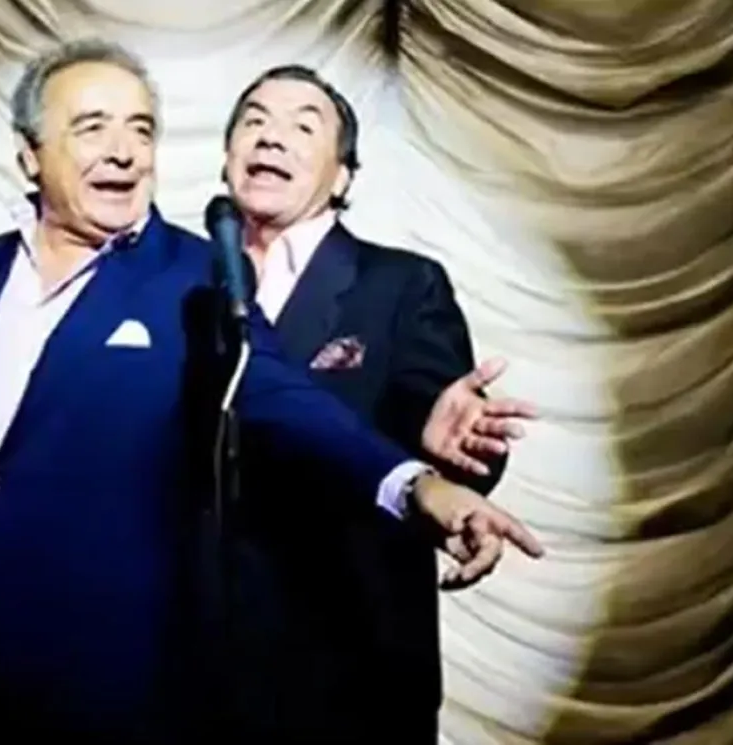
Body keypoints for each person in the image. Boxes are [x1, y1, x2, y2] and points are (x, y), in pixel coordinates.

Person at [0, 41, 543, 743]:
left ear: (343, 173)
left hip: (147, 683)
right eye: (93, 127)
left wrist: (420, 482)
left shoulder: (195, 278)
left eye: (141, 129)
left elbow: (287, 397)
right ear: (31, 154)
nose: (124, 151)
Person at [217, 64, 536, 742]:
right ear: (227, 158)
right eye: (254, 121)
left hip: (349, 666)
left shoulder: (399, 284)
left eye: (303, 126)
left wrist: (451, 445)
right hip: (195, 670)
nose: (271, 137)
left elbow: (449, 447)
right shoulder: (180, 284)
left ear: (342, 177)